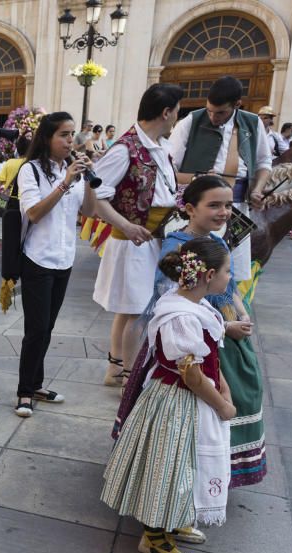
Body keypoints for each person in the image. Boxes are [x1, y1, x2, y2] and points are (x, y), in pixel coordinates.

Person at [102, 236, 235, 553]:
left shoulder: (196, 307)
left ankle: (174, 519)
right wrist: (221, 404)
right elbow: (190, 374)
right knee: (169, 466)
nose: (229, 277)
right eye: (226, 271)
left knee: (185, 465)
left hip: (192, 397)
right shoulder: (181, 316)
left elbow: (208, 361)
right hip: (175, 401)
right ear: (207, 275)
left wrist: (222, 387)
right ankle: (155, 538)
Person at [155, 176, 266, 487]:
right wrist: (225, 326)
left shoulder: (217, 241)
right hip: (201, 335)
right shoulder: (177, 246)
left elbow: (229, 287)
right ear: (190, 209)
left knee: (246, 390)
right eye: (214, 205)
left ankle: (223, 469)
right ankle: (196, 475)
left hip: (226, 328)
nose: (224, 212)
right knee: (206, 403)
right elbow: (177, 298)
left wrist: (241, 312)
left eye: (228, 205)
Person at [92, 83, 183, 388]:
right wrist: (127, 226)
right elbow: (95, 198)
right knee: (138, 311)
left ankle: (116, 368)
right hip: (134, 241)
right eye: (177, 113)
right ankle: (131, 377)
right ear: (166, 112)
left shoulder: (159, 148)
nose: (176, 120)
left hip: (154, 238)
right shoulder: (124, 149)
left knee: (130, 308)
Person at [14, 112, 97, 417]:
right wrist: (64, 183)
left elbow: (87, 210)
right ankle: (24, 392)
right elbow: (33, 213)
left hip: (64, 258)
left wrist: (90, 182)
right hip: (37, 258)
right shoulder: (31, 171)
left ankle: (36, 383)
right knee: (35, 329)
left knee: (47, 327)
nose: (70, 141)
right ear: (47, 137)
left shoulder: (72, 171)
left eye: (72, 134)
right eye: (63, 134)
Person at [169, 76, 272, 292]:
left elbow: (264, 162)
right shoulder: (192, 121)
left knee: (230, 270)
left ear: (237, 104)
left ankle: (223, 319)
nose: (213, 117)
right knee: (195, 270)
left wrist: (257, 189)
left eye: (221, 112)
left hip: (239, 207)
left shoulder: (253, 123)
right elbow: (168, 167)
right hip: (199, 208)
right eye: (209, 110)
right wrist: (197, 179)